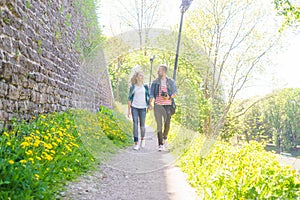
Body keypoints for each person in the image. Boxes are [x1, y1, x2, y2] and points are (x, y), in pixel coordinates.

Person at [149, 64, 177, 151]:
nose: (158, 72)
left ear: (164, 72)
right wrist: (150, 104)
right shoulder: (155, 82)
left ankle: (165, 138)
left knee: (167, 123)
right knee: (159, 125)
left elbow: (175, 93)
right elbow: (151, 94)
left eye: (159, 70)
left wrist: (168, 97)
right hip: (158, 105)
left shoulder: (171, 82)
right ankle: (160, 144)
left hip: (167, 106)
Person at [127, 70, 151, 150]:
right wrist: (128, 111)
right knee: (135, 124)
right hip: (134, 107)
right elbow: (129, 99)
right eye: (140, 75)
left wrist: (150, 105)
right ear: (137, 78)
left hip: (143, 107)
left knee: (142, 125)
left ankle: (143, 139)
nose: (142, 77)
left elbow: (148, 97)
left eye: (142, 75)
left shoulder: (146, 87)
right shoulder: (133, 87)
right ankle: (136, 143)